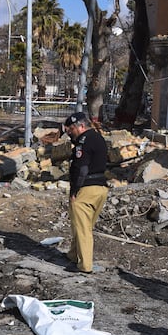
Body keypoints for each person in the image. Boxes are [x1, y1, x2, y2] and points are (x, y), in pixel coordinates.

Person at [63, 112, 108, 274]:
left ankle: (85, 265)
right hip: (101, 189)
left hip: (86, 189)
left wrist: (75, 190)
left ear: (81, 126)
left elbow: (82, 169)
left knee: (83, 229)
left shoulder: (83, 141)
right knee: (84, 225)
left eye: (71, 130)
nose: (70, 134)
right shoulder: (98, 138)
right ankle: (73, 254)